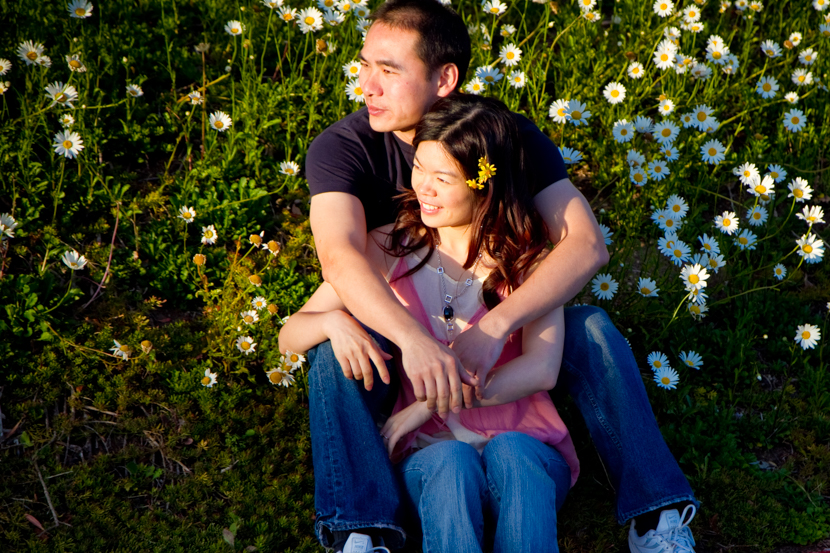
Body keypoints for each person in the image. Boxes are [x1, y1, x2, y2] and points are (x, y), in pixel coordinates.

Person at [298, 0, 699, 551]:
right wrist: (411, 341)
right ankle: (361, 529)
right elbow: (341, 258)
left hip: (498, 320)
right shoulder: (344, 148)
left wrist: (494, 327)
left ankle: (656, 516)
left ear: (444, 79)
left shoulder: (503, 139)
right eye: (364, 65)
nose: (366, 85)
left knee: (591, 327)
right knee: (331, 345)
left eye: (388, 70)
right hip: (400, 328)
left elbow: (585, 245)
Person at [282, 94, 579, 551]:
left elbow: (541, 369)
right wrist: (333, 323)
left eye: (442, 178)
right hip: (430, 455)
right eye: (419, 169)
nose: (424, 187)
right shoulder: (388, 247)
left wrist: (427, 406)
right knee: (450, 460)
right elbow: (290, 334)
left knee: (513, 453)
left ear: (485, 186)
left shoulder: (529, 260)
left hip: (528, 444)